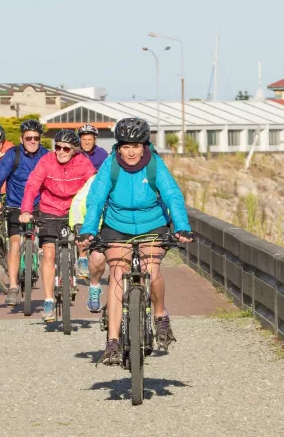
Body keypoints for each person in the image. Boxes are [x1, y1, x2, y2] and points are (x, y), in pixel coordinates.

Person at [76, 118, 193, 366]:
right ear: (118, 147)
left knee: (152, 270)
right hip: (117, 225)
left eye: (136, 146)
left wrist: (182, 225)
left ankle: (160, 315)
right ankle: (113, 342)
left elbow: (172, 194)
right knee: (118, 274)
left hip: (153, 223)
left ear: (144, 146)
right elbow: (96, 199)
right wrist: (88, 230)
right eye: (126, 146)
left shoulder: (155, 165)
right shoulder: (110, 166)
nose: (131, 152)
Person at [18, 129, 96, 322]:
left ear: (74, 150)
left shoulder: (83, 163)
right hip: (49, 209)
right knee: (49, 254)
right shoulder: (46, 161)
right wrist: (26, 210)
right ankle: (48, 300)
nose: (60, 151)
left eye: (65, 148)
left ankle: (82, 260)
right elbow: (32, 184)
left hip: (74, 208)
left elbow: (94, 186)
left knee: (82, 237)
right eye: (57, 147)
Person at [0, 119, 49, 307]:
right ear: (21, 139)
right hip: (16, 204)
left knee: (49, 247)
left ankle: (54, 285)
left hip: (40, 205)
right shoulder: (12, 155)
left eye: (36, 138)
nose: (32, 141)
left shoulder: (47, 156)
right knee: (14, 243)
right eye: (28, 137)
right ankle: (13, 287)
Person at [74, 124, 109, 278]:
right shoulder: (74, 153)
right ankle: (82, 258)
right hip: (78, 194)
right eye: (83, 139)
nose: (86, 142)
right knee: (81, 223)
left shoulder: (102, 154)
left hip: (97, 193)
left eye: (89, 139)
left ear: (95, 140)